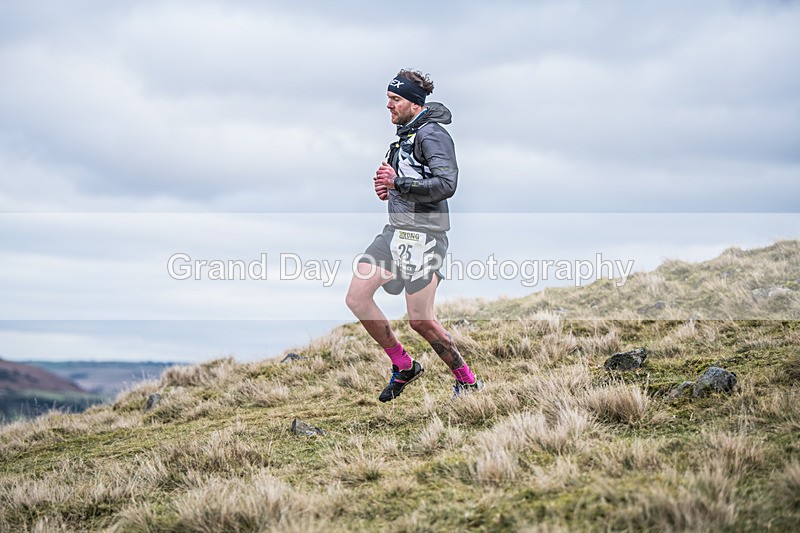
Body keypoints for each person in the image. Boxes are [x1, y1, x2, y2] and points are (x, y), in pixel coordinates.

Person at [345, 69, 484, 403]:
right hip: (395, 234)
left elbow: (446, 185)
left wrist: (398, 184)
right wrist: (387, 188)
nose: (389, 106)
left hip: (426, 237)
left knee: (421, 321)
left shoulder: (432, 135)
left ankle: (467, 382)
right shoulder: (404, 136)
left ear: (414, 102)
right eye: (388, 100)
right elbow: (402, 182)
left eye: (395, 100)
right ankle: (404, 365)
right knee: (357, 297)